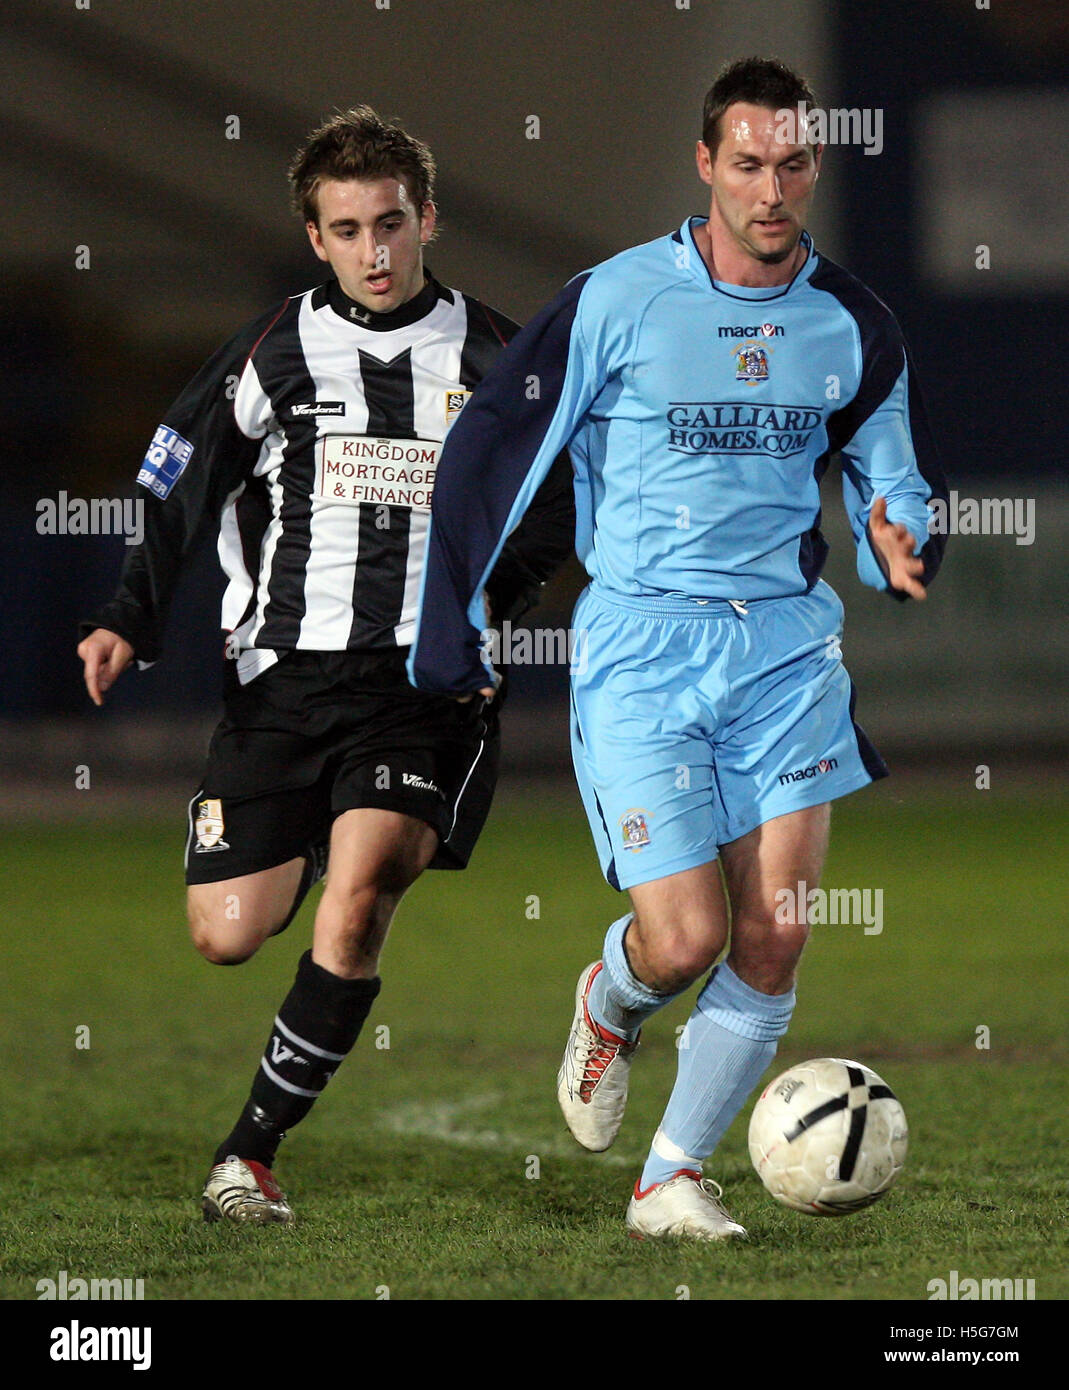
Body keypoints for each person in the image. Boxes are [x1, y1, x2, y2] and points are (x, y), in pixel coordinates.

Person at [409, 57, 947, 1241]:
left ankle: (669, 1177)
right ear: (705, 163)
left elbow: (891, 469)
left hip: (788, 653)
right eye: (746, 163)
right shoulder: (616, 298)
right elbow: (495, 446)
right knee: (686, 937)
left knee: (778, 925)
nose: (770, 187)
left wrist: (902, 531)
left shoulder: (852, 322)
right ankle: (611, 997)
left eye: (792, 164)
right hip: (643, 647)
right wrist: (449, 618)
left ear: (815, 165)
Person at [77, 106, 573, 1225]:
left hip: (424, 687)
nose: (377, 252)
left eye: (392, 223)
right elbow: (176, 476)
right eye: (348, 229)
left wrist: (482, 603)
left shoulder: (498, 352)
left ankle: (247, 1156)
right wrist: (128, 617)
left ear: (428, 217)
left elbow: (561, 493)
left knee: (355, 909)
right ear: (316, 237)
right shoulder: (272, 350)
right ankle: (303, 825)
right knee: (226, 935)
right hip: (283, 684)